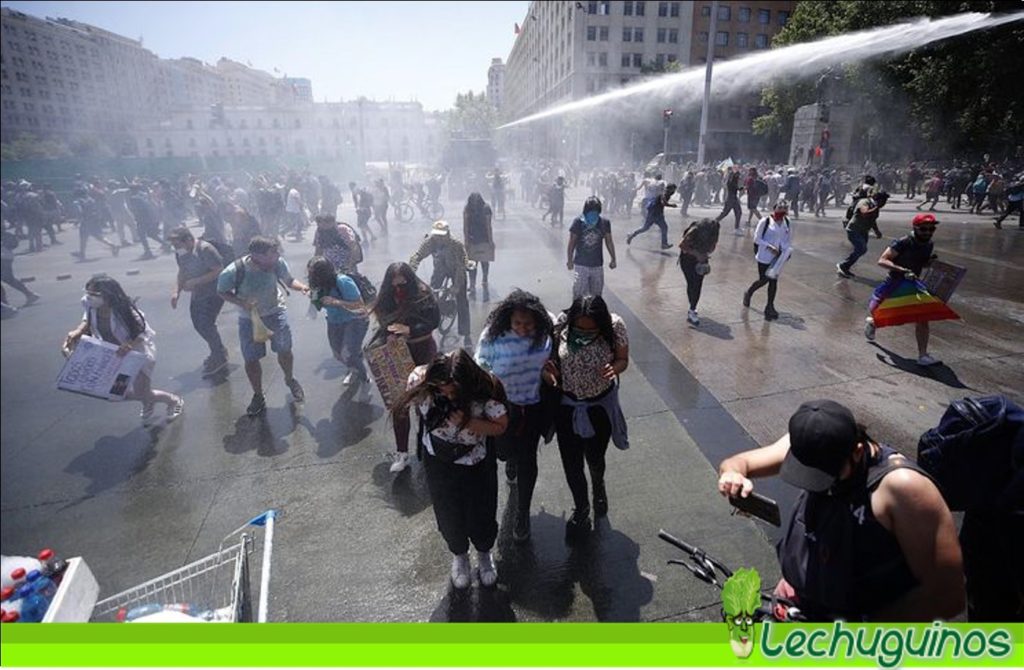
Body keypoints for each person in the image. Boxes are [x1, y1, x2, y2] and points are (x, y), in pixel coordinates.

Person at [717, 399, 965, 621]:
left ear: (857, 451)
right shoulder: (808, 444)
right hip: (797, 602)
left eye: (824, 476)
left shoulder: (903, 488)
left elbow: (947, 597)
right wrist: (732, 475)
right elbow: (740, 462)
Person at [394, 350, 508, 589]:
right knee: (448, 513)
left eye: (453, 389)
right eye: (441, 388)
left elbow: (500, 426)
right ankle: (459, 556)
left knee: (482, 511)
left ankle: (485, 555)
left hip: (476, 460)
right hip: (439, 460)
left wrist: (469, 423)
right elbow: (400, 402)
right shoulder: (421, 380)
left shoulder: (486, 386)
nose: (446, 393)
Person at [476, 290, 556, 543]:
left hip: (531, 408)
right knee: (503, 453)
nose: (523, 329)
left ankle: (522, 513)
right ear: (508, 320)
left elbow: (555, 330)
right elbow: (481, 363)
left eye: (528, 323)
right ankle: (510, 459)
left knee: (528, 460)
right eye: (517, 323)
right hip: (502, 408)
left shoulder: (544, 332)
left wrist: (548, 373)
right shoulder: (493, 335)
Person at [548, 295, 629, 541]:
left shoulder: (615, 326)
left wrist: (615, 367)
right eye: (580, 328)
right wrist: (548, 373)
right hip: (567, 407)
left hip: (599, 408)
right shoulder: (562, 324)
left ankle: (598, 484)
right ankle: (581, 508)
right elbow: (551, 359)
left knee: (594, 457)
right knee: (571, 463)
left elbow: (623, 359)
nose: (584, 333)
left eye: (590, 329)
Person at [63, 274, 184, 427]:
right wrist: (78, 331)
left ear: (108, 295)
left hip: (136, 356)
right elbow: (87, 318)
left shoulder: (126, 311)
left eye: (94, 294)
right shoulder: (90, 305)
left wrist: (129, 345)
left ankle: (172, 400)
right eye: (88, 293)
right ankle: (148, 401)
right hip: (113, 356)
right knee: (115, 394)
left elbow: (143, 333)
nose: (89, 297)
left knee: (140, 391)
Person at [216, 236, 309, 417]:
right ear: (256, 255)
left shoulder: (276, 262)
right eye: (271, 254)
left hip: (275, 311)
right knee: (251, 359)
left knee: (284, 349)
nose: (276, 256)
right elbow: (221, 291)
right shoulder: (234, 271)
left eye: (276, 253)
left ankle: (290, 379)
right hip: (249, 318)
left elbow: (289, 280)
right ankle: (258, 395)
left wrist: (303, 287)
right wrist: (241, 302)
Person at [372, 262, 441, 472]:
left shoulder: (423, 293)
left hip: (422, 350)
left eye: (402, 279)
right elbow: (383, 324)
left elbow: (434, 321)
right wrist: (389, 335)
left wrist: (410, 329)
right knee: (400, 404)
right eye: (394, 279)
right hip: (398, 354)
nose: (398, 284)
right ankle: (402, 452)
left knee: (426, 400)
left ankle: (431, 444)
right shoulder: (385, 297)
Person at [864, 213, 943, 366]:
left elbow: (922, 264)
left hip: (914, 285)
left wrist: (930, 262)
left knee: (923, 319)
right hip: (895, 284)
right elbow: (882, 260)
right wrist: (902, 270)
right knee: (896, 319)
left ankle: (923, 356)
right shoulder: (903, 242)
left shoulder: (929, 244)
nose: (927, 232)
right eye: (923, 229)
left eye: (931, 229)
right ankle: (874, 322)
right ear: (915, 227)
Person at [307, 257, 372, 401]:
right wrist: (313, 300)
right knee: (338, 353)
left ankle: (363, 376)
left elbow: (359, 305)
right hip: (334, 321)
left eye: (315, 274)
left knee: (348, 352)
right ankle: (354, 365)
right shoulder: (318, 285)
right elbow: (318, 306)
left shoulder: (343, 281)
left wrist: (336, 302)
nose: (312, 277)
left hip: (355, 319)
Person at [168, 227, 228, 377]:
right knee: (199, 324)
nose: (176, 249)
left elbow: (218, 270)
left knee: (205, 324)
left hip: (215, 292)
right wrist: (176, 291)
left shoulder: (205, 249)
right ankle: (218, 350)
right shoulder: (180, 253)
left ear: (188, 239)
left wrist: (196, 281)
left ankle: (219, 357)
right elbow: (182, 271)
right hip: (198, 293)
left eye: (178, 245)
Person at [409, 221, 473, 347]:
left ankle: (466, 333)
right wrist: (411, 272)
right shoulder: (431, 241)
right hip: (440, 269)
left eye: (441, 235)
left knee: (462, 301)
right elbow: (418, 255)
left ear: (447, 233)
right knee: (431, 294)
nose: (439, 238)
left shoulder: (456, 245)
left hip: (456, 270)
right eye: (437, 235)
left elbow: (460, 268)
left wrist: (456, 287)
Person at [743, 200, 793, 321]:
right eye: (780, 208)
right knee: (763, 280)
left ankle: (770, 306)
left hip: (778, 258)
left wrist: (786, 252)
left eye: (785, 208)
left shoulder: (787, 222)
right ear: (775, 208)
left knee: (773, 281)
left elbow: (788, 239)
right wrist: (769, 246)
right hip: (765, 257)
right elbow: (757, 239)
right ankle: (749, 292)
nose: (783, 210)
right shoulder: (765, 222)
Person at [567, 196, 617, 300]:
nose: (593, 214)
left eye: (595, 212)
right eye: (591, 211)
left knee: (596, 297)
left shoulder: (604, 223)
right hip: (581, 265)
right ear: (585, 211)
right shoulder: (578, 222)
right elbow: (571, 243)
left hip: (597, 265)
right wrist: (569, 260)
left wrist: (613, 259)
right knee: (578, 295)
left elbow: (609, 241)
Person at [678, 218, 720, 326]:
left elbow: (712, 247)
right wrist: (697, 254)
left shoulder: (714, 233)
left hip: (701, 261)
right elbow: (682, 245)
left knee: (697, 285)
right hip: (687, 259)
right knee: (691, 283)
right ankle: (692, 306)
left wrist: (707, 252)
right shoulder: (694, 230)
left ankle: (692, 309)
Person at [837, 189, 888, 278]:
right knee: (861, 249)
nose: (884, 204)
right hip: (854, 229)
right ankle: (843, 265)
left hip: (863, 231)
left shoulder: (876, 207)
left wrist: (877, 231)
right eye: (883, 201)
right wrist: (876, 207)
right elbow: (864, 213)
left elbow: (873, 220)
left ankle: (845, 266)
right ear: (878, 199)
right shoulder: (864, 202)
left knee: (861, 250)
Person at [463, 193, 495, 302]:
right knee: (473, 263)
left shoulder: (485, 208)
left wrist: (490, 241)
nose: (475, 202)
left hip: (482, 239)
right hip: (474, 240)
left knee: (483, 262)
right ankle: (473, 283)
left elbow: (488, 225)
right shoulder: (468, 209)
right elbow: (465, 225)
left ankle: (483, 280)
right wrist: (466, 240)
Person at [626, 183, 677, 249]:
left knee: (645, 228)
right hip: (656, 214)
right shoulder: (665, 194)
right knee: (663, 228)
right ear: (670, 189)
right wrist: (671, 205)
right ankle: (664, 244)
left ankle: (631, 235)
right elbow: (663, 202)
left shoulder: (664, 193)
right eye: (673, 189)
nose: (674, 191)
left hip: (654, 213)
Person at [715, 166, 743, 234]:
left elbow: (737, 187)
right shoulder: (731, 182)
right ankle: (714, 222)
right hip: (731, 199)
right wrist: (741, 188)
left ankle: (737, 228)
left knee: (738, 212)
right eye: (737, 176)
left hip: (733, 198)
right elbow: (736, 188)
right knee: (725, 213)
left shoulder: (732, 181)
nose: (738, 177)